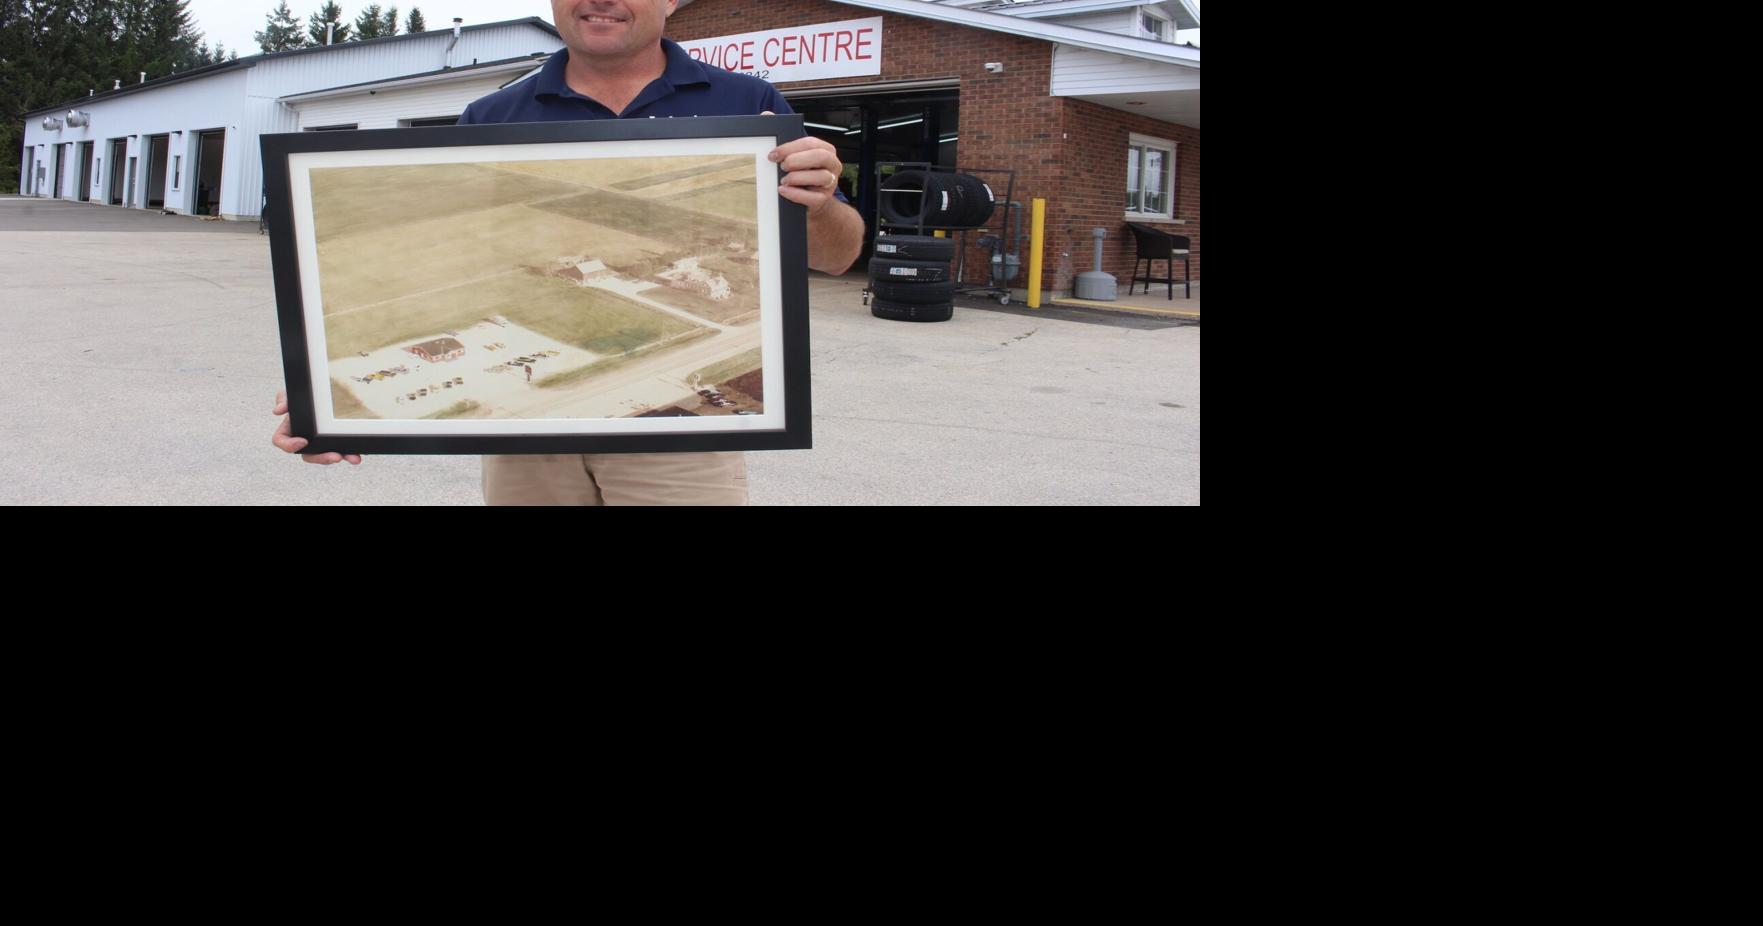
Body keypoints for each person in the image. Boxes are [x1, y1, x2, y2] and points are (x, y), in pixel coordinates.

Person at [273, 0, 865, 504]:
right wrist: (321, 398)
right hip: (528, 442)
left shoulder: (749, 104)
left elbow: (839, 256)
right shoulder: (493, 114)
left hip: (680, 438)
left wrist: (820, 205)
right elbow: (480, 265)